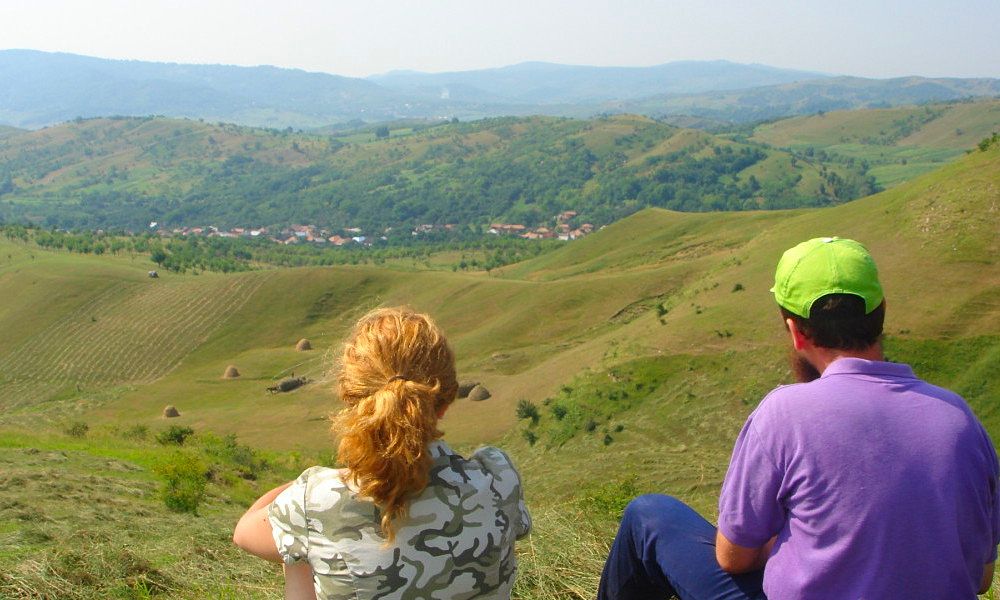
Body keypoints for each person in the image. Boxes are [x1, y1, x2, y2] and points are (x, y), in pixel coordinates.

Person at [597, 237, 1000, 599]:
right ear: (882, 313)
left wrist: (795, 538)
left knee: (647, 516)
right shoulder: (958, 418)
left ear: (795, 332)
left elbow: (733, 557)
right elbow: (981, 578)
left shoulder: (784, 413)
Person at [234, 307, 531, 599]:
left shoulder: (316, 502)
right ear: (445, 402)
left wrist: (308, 484)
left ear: (352, 399)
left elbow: (244, 533)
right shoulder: (498, 478)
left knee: (296, 556)